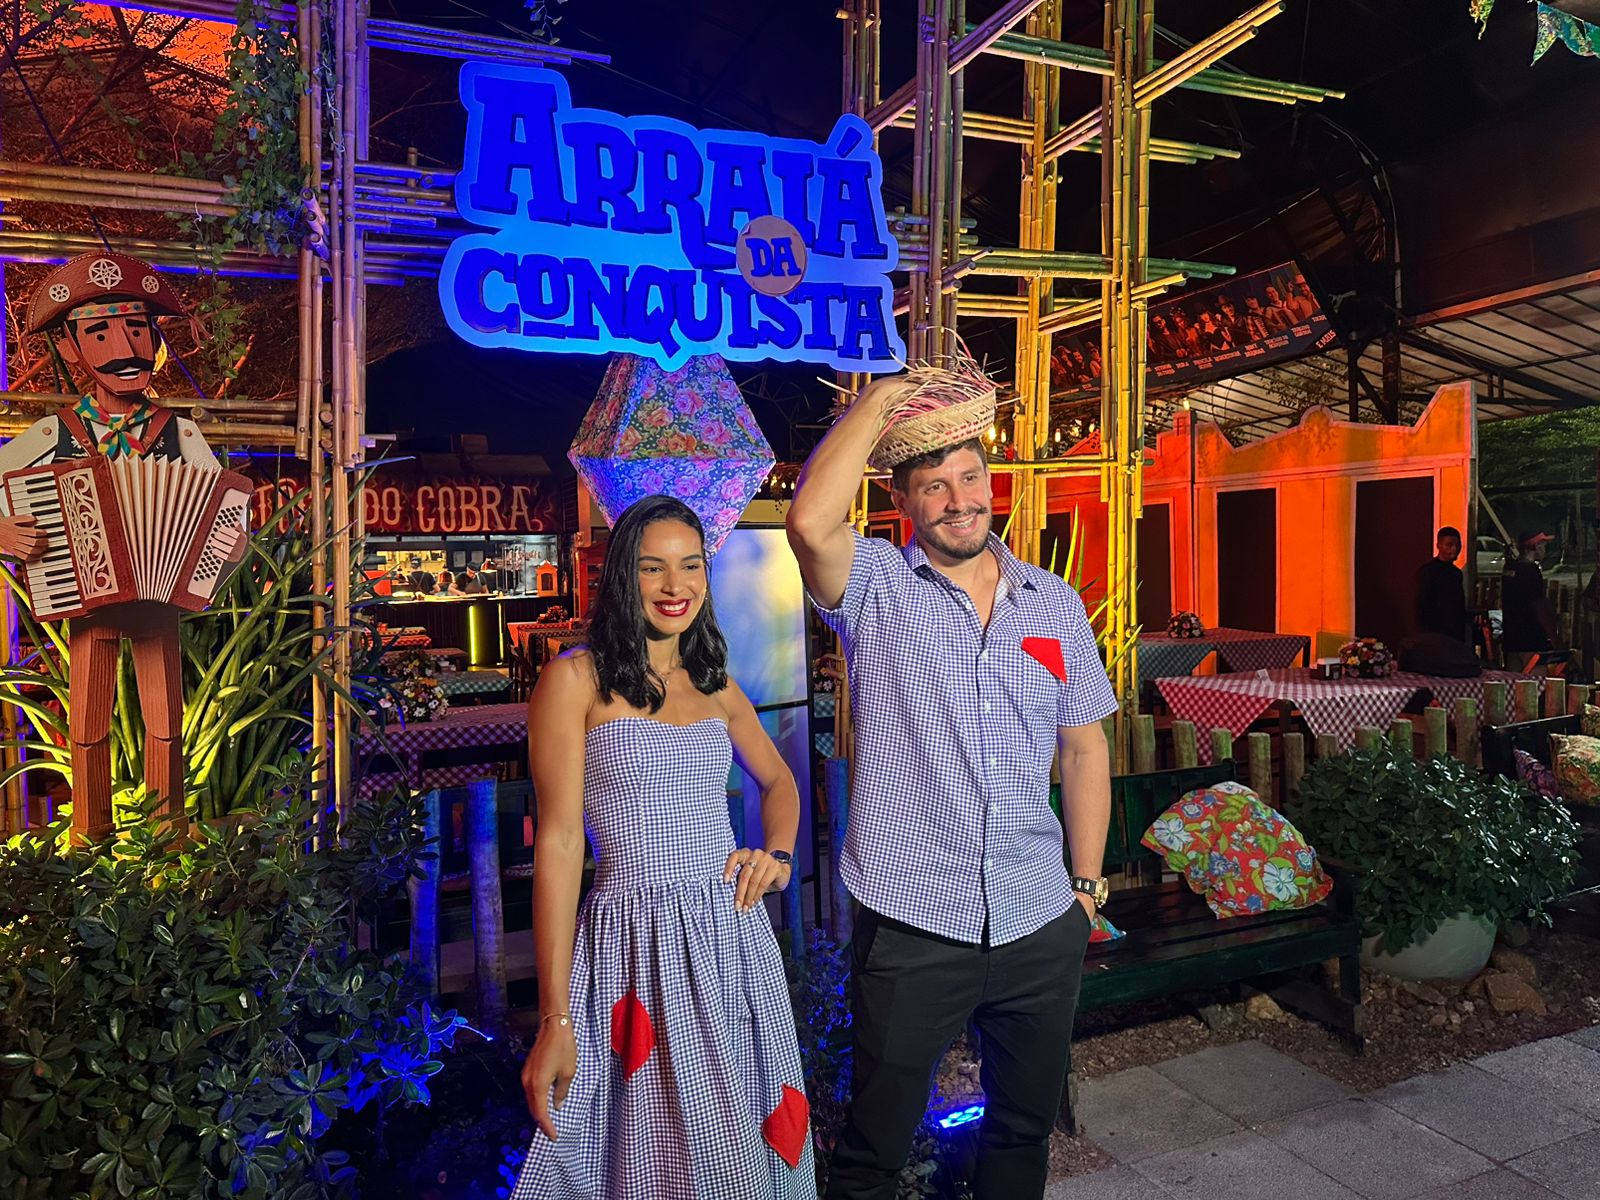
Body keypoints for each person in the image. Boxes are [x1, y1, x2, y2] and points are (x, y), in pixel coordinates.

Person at [786, 366, 1118, 1200]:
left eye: (969, 478)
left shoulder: (1053, 604)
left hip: (1038, 916)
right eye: (933, 486)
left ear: (991, 483)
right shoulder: (876, 587)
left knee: (1021, 1135)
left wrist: (1084, 889)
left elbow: (1084, 750)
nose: (957, 500)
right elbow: (810, 521)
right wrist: (879, 400)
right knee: (874, 1151)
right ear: (903, 501)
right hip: (913, 923)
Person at [514, 494, 816, 1199]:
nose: (674, 585)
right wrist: (553, 1017)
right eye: (653, 567)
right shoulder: (574, 680)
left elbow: (781, 783)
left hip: (729, 943)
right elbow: (559, 843)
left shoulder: (717, 686)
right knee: (649, 1160)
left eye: (690, 565)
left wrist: (776, 857)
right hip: (633, 946)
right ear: (623, 574)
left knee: (743, 1152)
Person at [0, 252, 247, 839]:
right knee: (88, 723)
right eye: (100, 332)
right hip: (86, 602)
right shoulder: (54, 432)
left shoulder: (180, 431)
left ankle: (167, 830)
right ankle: (91, 833)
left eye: (137, 328)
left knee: (165, 719)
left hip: (160, 601)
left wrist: (229, 546)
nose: (125, 347)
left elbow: (225, 508)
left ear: (154, 340)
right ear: (69, 349)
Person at [1501, 531, 1557, 668]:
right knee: (1534, 679)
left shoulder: (1509, 568)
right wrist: (1554, 637)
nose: (1544, 550)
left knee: (1513, 680)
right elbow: (1538, 605)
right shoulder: (1531, 570)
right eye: (1542, 546)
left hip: (1512, 640)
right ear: (1534, 547)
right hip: (1531, 640)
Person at [1415, 526, 1468, 642]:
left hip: (1453, 633)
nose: (1454, 549)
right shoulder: (1428, 572)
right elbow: (1422, 605)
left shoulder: (1456, 573)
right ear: (1438, 546)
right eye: (1449, 545)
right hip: (1436, 633)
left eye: (1457, 545)